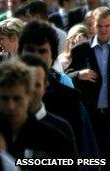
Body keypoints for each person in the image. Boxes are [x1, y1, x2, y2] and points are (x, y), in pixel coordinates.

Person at [18, 21, 99, 163]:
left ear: (53, 56)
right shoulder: (5, 95)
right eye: (30, 49)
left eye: (42, 51)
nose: (36, 56)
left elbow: (88, 156)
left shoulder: (69, 99)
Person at [0, 59, 78, 170]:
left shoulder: (54, 138)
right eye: (5, 98)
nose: (11, 106)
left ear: (29, 96)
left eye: (17, 99)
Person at [66, 6, 110, 155]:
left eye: (107, 26)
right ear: (93, 26)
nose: (103, 30)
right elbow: (67, 75)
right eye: (99, 26)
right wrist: (79, 74)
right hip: (91, 115)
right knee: (93, 156)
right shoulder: (81, 49)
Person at [21, 53, 78, 156]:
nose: (30, 90)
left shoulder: (61, 129)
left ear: (45, 85)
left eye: (36, 84)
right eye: (26, 83)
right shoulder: (2, 127)